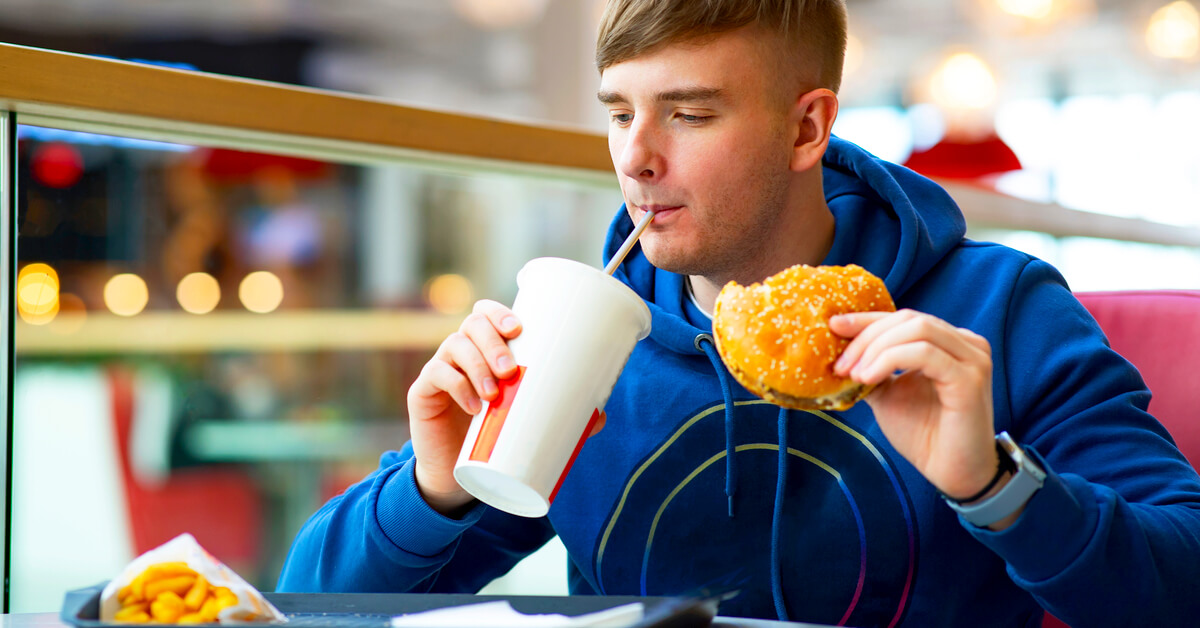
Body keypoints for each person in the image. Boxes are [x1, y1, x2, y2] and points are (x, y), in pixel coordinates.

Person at [276, 1, 1200, 625]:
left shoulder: (997, 307)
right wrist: (430, 489)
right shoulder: (584, 338)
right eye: (619, 113)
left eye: (689, 114)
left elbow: (1184, 581)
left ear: (807, 126)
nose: (635, 159)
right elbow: (306, 602)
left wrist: (996, 487)